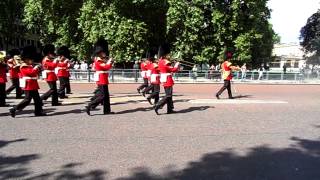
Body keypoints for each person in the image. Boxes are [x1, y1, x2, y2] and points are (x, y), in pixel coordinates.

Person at [9, 46, 46, 117]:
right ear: (26, 59)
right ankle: (13, 109)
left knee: (37, 99)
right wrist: (35, 68)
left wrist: (39, 68)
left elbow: (34, 73)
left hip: (33, 84)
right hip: (28, 84)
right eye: (31, 59)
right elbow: (30, 73)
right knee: (27, 100)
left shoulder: (29, 65)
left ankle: (38, 112)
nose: (32, 61)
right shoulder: (23, 66)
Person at [85, 39, 114, 115]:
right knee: (103, 95)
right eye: (103, 52)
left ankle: (107, 111)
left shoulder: (101, 60)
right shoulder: (98, 61)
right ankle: (90, 105)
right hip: (101, 79)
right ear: (100, 53)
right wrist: (109, 62)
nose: (105, 54)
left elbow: (107, 67)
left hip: (104, 78)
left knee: (106, 96)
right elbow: (105, 67)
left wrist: (109, 62)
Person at [154, 44, 180, 115]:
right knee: (168, 95)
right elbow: (173, 69)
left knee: (169, 95)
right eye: (168, 54)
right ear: (165, 54)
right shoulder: (166, 62)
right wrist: (177, 64)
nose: (169, 56)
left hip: (164, 78)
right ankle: (158, 105)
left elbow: (167, 69)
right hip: (167, 79)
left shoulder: (161, 61)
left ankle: (170, 109)